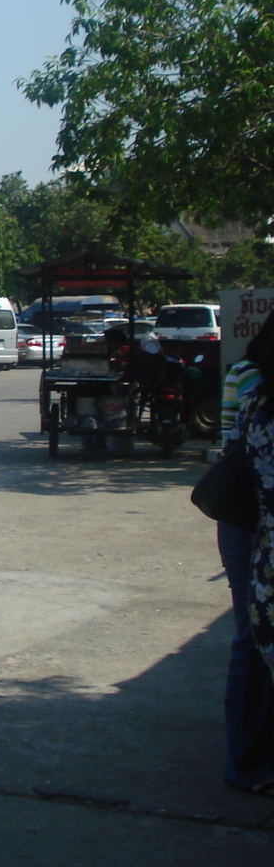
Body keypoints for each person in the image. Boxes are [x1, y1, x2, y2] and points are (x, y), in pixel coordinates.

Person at [218, 320, 274, 795]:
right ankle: (248, 761)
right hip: (250, 528)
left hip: (250, 529)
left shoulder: (247, 380)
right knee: (251, 644)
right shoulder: (259, 390)